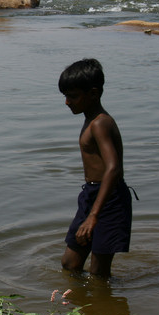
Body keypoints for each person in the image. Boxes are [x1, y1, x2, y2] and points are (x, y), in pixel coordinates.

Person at [58, 58, 133, 278]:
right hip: (91, 194)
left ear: (93, 93)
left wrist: (93, 216)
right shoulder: (90, 119)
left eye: (72, 96)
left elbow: (113, 168)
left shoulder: (100, 122)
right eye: (65, 96)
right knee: (70, 263)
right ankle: (80, 307)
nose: (67, 102)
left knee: (99, 274)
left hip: (110, 199)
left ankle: (103, 309)